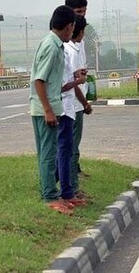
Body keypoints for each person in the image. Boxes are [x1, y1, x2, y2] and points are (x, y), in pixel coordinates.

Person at [30, 5, 75, 215]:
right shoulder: (51, 46)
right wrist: (48, 110)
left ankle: (50, 192)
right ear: (67, 27)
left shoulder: (56, 45)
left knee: (48, 153)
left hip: (50, 105)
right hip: (44, 110)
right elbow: (39, 80)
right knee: (49, 154)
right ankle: (50, 196)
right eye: (73, 27)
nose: (73, 32)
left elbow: (54, 83)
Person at [56, 15, 88, 209]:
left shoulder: (68, 49)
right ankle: (65, 190)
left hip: (70, 107)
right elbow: (63, 85)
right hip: (68, 107)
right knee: (67, 150)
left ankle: (68, 189)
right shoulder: (65, 50)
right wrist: (79, 83)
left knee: (68, 149)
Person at [65, 0, 92, 190]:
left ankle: (73, 174)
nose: (81, 16)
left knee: (73, 144)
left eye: (83, 12)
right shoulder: (67, 47)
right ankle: (71, 185)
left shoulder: (78, 43)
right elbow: (71, 81)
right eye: (78, 13)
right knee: (70, 146)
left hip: (77, 97)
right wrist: (84, 102)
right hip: (72, 102)